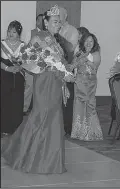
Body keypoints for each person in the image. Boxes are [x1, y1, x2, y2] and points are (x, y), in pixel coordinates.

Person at [1, 5, 75, 174]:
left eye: (60, 22)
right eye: (55, 21)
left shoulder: (57, 41)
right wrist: (41, 63)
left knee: (53, 118)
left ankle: (49, 160)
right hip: (43, 82)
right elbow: (25, 55)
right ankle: (25, 154)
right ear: (46, 23)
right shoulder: (39, 37)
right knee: (40, 115)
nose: (58, 24)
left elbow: (61, 64)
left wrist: (67, 73)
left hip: (55, 84)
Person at [69, 32, 103, 141]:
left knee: (90, 105)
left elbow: (95, 67)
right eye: (86, 41)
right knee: (78, 105)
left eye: (91, 41)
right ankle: (78, 132)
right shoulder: (79, 53)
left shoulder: (96, 54)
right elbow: (72, 66)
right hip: (79, 81)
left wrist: (86, 60)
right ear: (83, 42)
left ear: (94, 43)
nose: (88, 43)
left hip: (90, 82)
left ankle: (91, 132)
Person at [1, 21, 25, 136]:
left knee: (17, 102)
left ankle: (16, 128)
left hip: (18, 77)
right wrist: (7, 68)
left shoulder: (23, 45)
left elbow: (27, 61)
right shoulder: (2, 44)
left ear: (18, 33)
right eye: (9, 31)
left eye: (14, 32)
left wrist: (20, 66)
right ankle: (4, 127)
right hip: (4, 77)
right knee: (4, 102)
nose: (11, 34)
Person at [23, 14, 44, 115]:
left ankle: (37, 109)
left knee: (40, 87)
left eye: (43, 20)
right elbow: (26, 48)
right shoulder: (30, 32)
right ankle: (24, 108)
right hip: (31, 65)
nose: (42, 22)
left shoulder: (47, 34)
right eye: (40, 20)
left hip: (42, 66)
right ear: (36, 22)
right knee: (29, 86)